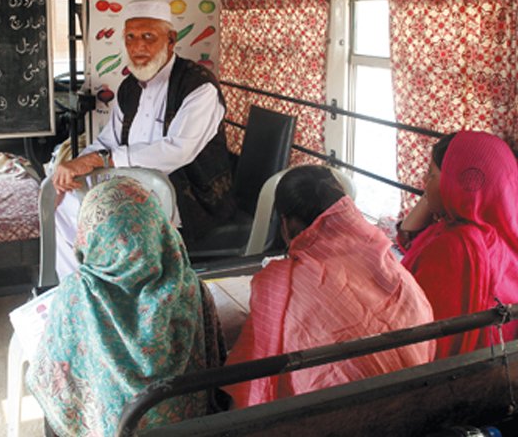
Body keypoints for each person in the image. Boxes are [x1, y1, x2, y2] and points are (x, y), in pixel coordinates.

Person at [27, 177, 224, 437]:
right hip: (187, 429)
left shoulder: (78, 294)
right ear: (159, 228)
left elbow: (51, 380)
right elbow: (216, 361)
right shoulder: (191, 287)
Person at [52, 0, 235, 278]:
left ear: (171, 40)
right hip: (137, 185)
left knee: (102, 217)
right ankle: (75, 289)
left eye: (149, 36)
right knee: (61, 201)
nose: (138, 46)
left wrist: (102, 160)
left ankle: (113, 293)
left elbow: (178, 150)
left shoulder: (198, 86)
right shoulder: (130, 86)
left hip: (191, 197)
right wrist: (72, 167)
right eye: (131, 37)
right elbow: (107, 140)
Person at [225, 165, 435, 407]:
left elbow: (254, 378)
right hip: (412, 405)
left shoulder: (277, 283)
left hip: (331, 419)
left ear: (287, 224)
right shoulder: (390, 265)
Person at [399, 131, 518, 358]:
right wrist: (440, 192)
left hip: (451, 376)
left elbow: (413, 333)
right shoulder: (502, 228)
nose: (424, 183)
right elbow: (408, 237)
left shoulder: (453, 248)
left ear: (458, 183)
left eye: (431, 175)